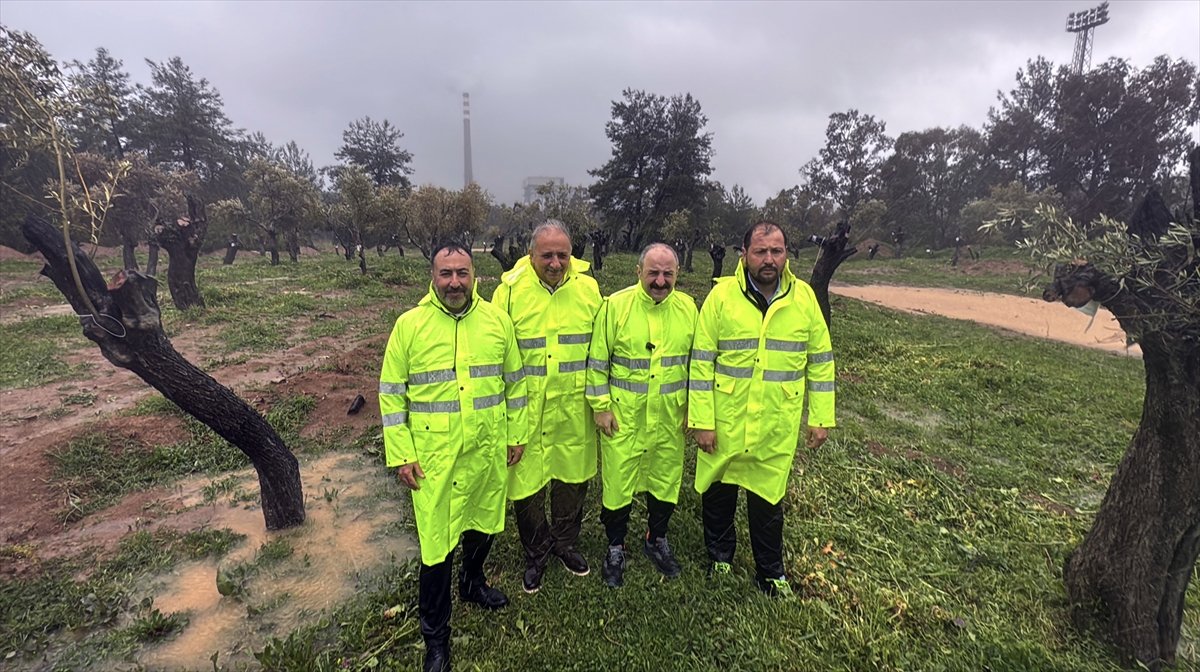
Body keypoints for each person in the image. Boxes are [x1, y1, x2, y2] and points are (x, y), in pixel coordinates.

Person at [379, 241, 529, 672]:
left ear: (474, 275)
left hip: (485, 449)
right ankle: (436, 636)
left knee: (483, 523)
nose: (454, 282)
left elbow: (515, 384)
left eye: (462, 273)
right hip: (434, 459)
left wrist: (515, 434)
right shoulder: (409, 326)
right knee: (436, 546)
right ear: (432, 276)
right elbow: (391, 395)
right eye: (446, 274)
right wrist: (402, 454)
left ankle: (473, 582)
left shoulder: (497, 323)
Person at [687, 221, 836, 597]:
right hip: (726, 418)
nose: (769, 259)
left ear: (787, 254)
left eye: (777, 251)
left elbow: (820, 360)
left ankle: (770, 572)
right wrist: (702, 421)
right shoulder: (720, 299)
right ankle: (720, 556)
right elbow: (702, 362)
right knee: (719, 493)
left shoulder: (803, 298)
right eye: (760, 251)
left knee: (768, 500)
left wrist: (820, 417)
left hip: (775, 422)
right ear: (744, 254)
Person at [492, 220, 603, 593]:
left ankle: (566, 543)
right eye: (547, 255)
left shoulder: (588, 290)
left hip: (573, 405)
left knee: (573, 476)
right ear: (531, 255)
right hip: (528, 406)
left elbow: (600, 350)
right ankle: (536, 553)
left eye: (563, 255)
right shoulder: (509, 293)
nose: (556, 263)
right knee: (526, 483)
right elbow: (496, 353)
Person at [586, 243, 698, 587]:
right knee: (617, 487)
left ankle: (656, 539)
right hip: (624, 417)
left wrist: (695, 408)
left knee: (665, 482)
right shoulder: (615, 307)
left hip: (668, 417)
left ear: (677, 275)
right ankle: (615, 547)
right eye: (653, 273)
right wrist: (601, 406)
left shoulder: (689, 309)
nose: (660, 281)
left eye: (668, 274)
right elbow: (597, 361)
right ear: (639, 272)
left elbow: (698, 364)